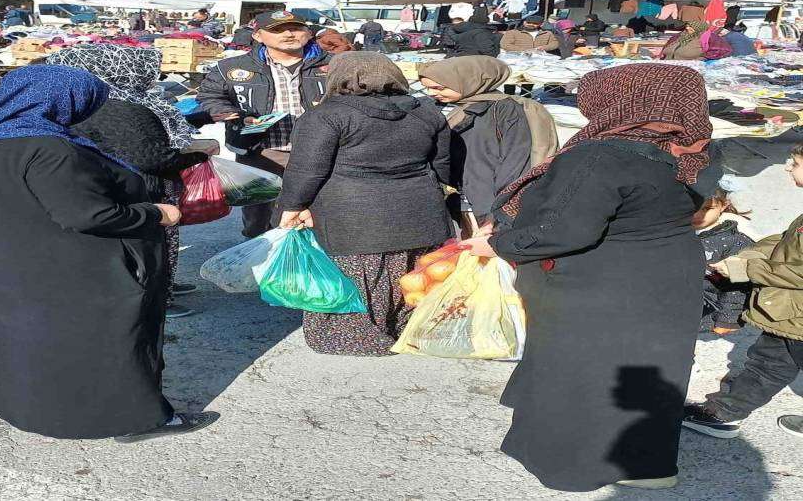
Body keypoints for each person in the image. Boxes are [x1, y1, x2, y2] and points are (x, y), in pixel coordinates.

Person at [459, 64, 717, 491]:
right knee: (648, 369)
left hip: (601, 282)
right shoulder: (690, 150)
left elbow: (559, 229)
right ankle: (648, 467)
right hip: (665, 275)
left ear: (619, 100)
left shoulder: (602, 155)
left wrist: (498, 245)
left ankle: (576, 466)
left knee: (584, 371)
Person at [0, 65, 218, 441]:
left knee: (24, 342)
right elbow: (88, 215)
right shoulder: (50, 149)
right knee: (108, 344)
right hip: (83, 269)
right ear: (62, 101)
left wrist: (6, 228)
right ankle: (137, 421)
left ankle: (24, 409)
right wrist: (157, 213)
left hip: (4, 263)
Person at [278, 52, 454, 356]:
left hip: (352, 214)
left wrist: (292, 206)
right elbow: (442, 164)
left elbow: (307, 169)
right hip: (419, 208)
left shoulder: (325, 115)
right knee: (409, 272)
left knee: (358, 274)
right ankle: (406, 330)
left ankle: (359, 337)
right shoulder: (426, 111)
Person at [45, 44, 211, 320]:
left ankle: (163, 287)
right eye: (144, 69)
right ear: (120, 70)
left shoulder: (83, 100)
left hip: (109, 185)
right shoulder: (119, 107)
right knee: (148, 246)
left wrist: (200, 120)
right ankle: (158, 300)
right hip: (139, 189)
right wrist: (197, 155)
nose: (152, 75)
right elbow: (150, 158)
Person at [682, 143, 803, 440]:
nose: (788, 167)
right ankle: (722, 413)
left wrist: (747, 269)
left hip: (795, 314)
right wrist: (745, 258)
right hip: (790, 314)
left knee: (770, 365)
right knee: (768, 364)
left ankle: (723, 412)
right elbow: (783, 242)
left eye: (796, 163)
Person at [197, 10, 331, 238]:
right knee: (258, 219)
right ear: (258, 35)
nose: (288, 34)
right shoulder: (231, 67)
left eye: (295, 28)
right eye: (277, 30)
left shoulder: (335, 65)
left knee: (316, 214)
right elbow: (209, 96)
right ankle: (262, 256)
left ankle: (309, 256)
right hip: (259, 152)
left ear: (309, 33)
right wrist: (234, 114)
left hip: (320, 152)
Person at [418, 56, 558, 233]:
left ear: (469, 82)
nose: (431, 93)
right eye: (427, 88)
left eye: (439, 88)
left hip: (492, 204)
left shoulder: (504, 111)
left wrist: (499, 210)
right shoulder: (452, 107)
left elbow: (516, 162)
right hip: (466, 199)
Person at [692, 183, 755, 334]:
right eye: (691, 208)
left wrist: (727, 320)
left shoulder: (736, 242)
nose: (697, 215)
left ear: (723, 205)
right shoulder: (675, 230)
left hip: (704, 309)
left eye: (707, 209)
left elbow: (740, 284)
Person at [660, 21, 732, 60]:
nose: (687, 28)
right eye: (687, 26)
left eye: (691, 26)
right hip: (668, 66)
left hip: (689, 70)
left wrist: (704, 58)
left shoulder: (708, 37)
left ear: (699, 28)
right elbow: (666, 49)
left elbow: (724, 49)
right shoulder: (679, 36)